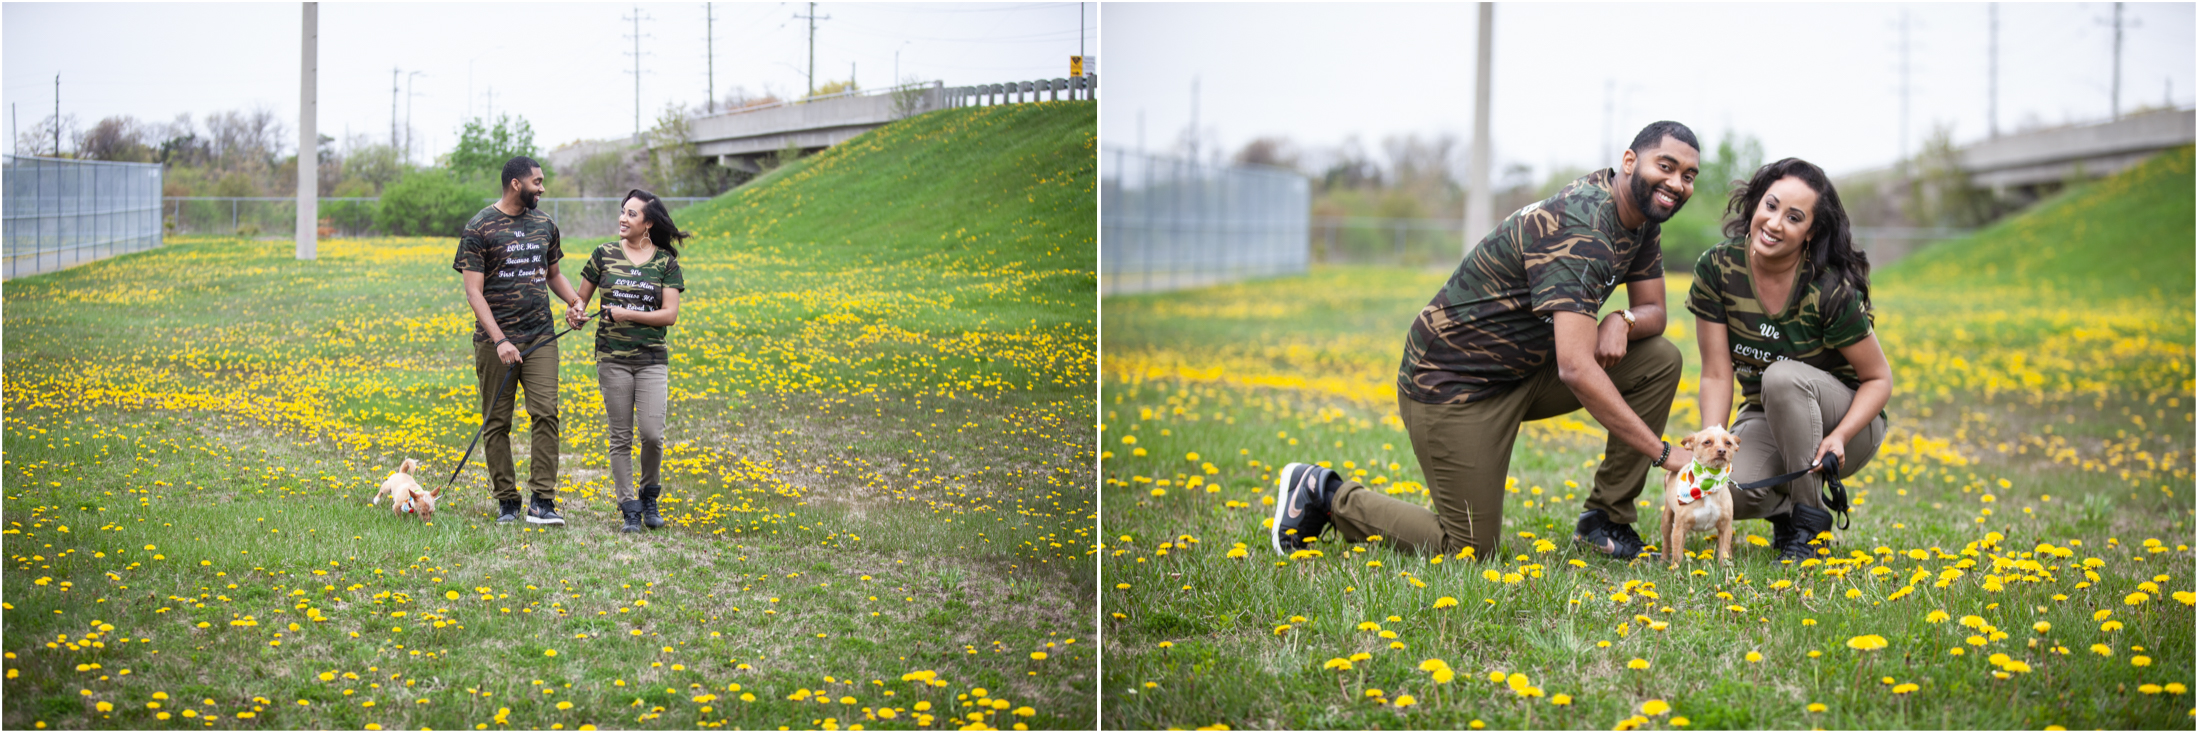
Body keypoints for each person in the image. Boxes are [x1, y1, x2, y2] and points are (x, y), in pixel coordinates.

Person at [1271, 121, 1703, 562]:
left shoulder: (1641, 217)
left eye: (1688, 175)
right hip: (1454, 383)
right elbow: (1575, 367)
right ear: (1630, 162)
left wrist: (1623, 318)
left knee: (1659, 359)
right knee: (1469, 548)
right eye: (1665, 166)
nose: (1676, 183)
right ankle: (1325, 494)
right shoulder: (1584, 228)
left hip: (1523, 370)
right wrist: (1664, 453)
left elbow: (1655, 313)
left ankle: (1605, 521)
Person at [1687, 158, 1891, 562]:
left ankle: (1809, 523)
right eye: (1771, 205)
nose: (1775, 223)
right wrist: (1712, 445)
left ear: (1810, 232)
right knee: (1727, 492)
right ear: (1755, 205)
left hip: (1846, 419)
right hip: (1768, 416)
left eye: (1794, 217)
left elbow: (1878, 380)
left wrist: (1841, 436)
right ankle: (1785, 511)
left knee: (1781, 378)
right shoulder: (1717, 268)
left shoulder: (1828, 288)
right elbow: (1715, 371)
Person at [455, 155, 581, 526]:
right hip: (497, 342)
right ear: (516, 184)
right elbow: (474, 293)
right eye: (537, 182)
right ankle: (507, 500)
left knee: (546, 413)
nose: (542, 188)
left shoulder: (545, 224)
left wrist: (574, 303)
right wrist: (500, 341)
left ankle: (542, 501)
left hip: (541, 336)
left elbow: (553, 274)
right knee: (497, 421)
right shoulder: (480, 227)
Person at [567, 189, 687, 533]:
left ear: (647, 223)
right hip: (612, 358)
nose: (623, 218)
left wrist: (626, 313)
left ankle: (649, 495)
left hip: (651, 359)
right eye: (622, 211)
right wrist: (575, 313)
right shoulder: (603, 255)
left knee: (651, 434)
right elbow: (580, 300)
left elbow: (670, 315)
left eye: (632, 214)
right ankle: (629, 508)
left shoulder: (665, 262)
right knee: (620, 436)